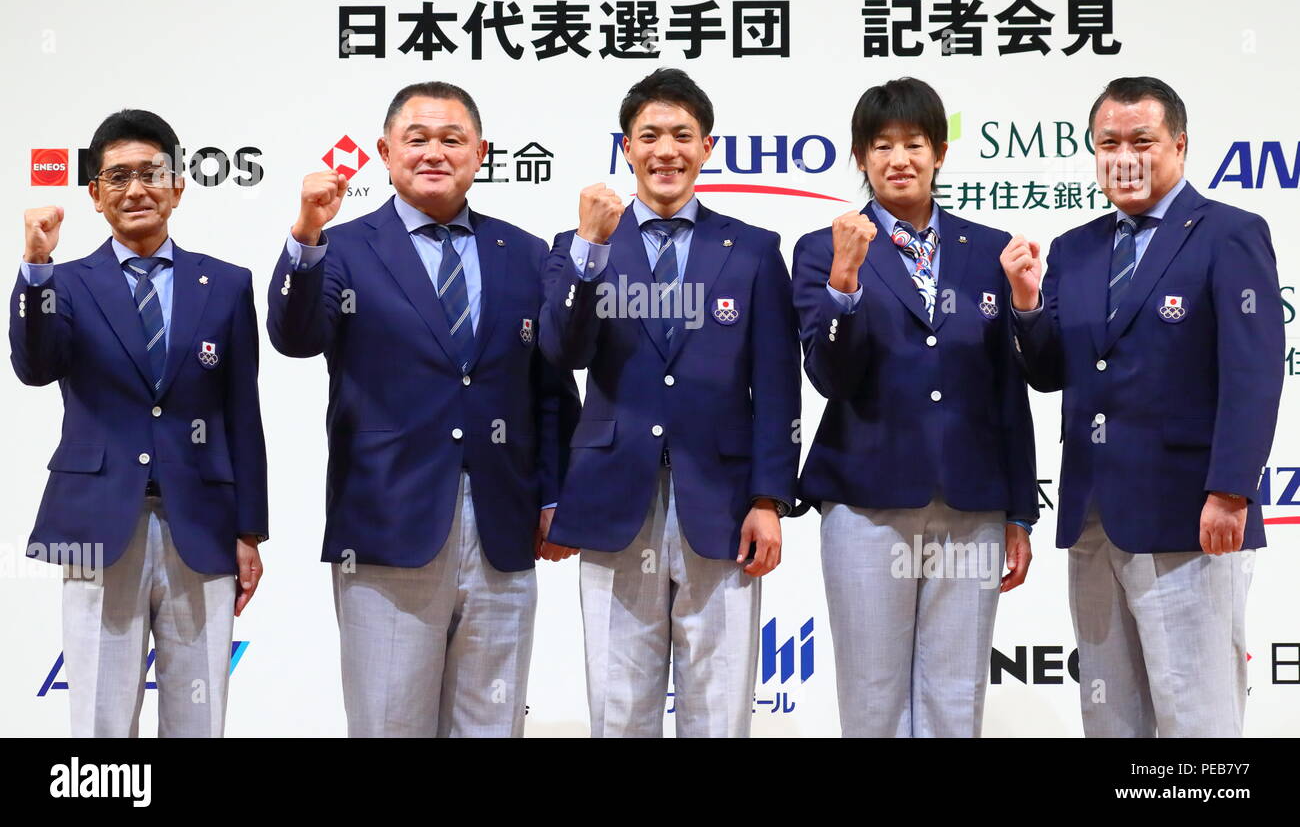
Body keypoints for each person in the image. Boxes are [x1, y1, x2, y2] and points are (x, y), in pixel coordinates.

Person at [266, 81, 579, 737]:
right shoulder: (342, 247)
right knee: (388, 724)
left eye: (452, 139)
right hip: (385, 529)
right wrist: (305, 235)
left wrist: (555, 499)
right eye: (417, 140)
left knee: (492, 725)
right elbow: (296, 338)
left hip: (503, 529)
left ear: (481, 153)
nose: (434, 152)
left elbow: (550, 391)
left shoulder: (525, 253)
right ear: (385, 151)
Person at [1002, 76, 1284, 737]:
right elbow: (1049, 373)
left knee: (1198, 715)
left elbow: (1255, 371)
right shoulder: (1074, 248)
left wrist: (1231, 491)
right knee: (1110, 715)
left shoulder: (1230, 234)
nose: (1124, 156)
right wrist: (1025, 303)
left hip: (1192, 512)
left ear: (1179, 146)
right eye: (1108, 143)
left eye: (1142, 141)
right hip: (1094, 517)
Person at [539, 68, 801, 737]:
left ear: (707, 147)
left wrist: (768, 500)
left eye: (682, 135)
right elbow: (562, 352)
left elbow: (775, 384)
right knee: (619, 707)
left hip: (724, 502)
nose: (666, 150)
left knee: (719, 708)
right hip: (611, 497)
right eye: (649, 135)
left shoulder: (752, 250)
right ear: (625, 148)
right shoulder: (580, 245)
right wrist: (591, 249)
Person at [10, 109, 268, 737]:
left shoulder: (227, 284)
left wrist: (250, 532)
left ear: (178, 184)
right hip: (95, 522)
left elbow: (242, 414)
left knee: (200, 715)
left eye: (152, 173)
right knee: (100, 714)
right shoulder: (64, 283)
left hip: (202, 526)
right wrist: (36, 265)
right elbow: (35, 366)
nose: (136, 189)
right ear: (95, 195)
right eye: (117, 177)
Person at [792, 77, 1037, 737]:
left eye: (913, 143)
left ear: (940, 153)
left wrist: (1018, 511)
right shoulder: (825, 248)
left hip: (972, 503)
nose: (898, 159)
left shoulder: (989, 251)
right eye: (881, 146)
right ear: (860, 157)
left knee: (955, 698)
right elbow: (829, 376)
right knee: (873, 699)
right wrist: (844, 280)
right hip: (865, 500)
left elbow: (1008, 389)